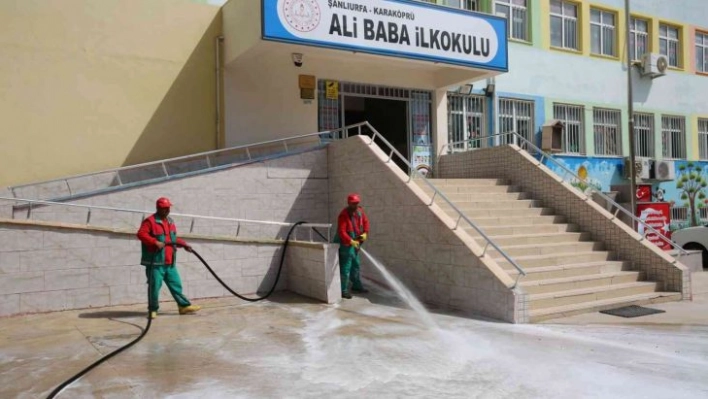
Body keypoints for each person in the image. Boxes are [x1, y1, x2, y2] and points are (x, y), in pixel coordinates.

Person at [137, 197, 201, 319]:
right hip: (156, 263)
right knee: (155, 287)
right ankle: (153, 310)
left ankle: (183, 306)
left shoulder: (170, 222)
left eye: (168, 208)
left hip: (170, 262)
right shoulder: (150, 221)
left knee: (176, 284)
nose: (167, 210)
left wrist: (184, 245)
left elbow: (172, 240)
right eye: (164, 208)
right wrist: (154, 242)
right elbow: (141, 234)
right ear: (158, 208)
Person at [335, 193, 370, 299]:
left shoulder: (360, 212)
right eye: (353, 203)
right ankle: (343, 290)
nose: (355, 205)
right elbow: (342, 231)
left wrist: (365, 233)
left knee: (356, 265)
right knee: (346, 267)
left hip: (355, 243)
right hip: (346, 244)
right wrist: (350, 241)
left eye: (356, 203)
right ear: (349, 203)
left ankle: (356, 285)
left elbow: (366, 222)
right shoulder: (344, 215)